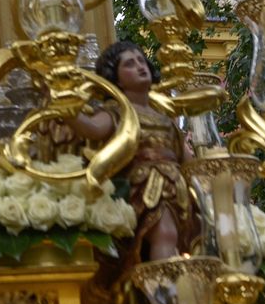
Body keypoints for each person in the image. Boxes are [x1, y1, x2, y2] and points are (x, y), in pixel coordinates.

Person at [68, 41, 198, 262]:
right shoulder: (117, 112)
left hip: (177, 189)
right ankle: (164, 291)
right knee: (164, 234)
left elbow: (188, 160)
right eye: (129, 64)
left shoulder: (164, 118)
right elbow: (93, 129)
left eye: (141, 60)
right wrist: (65, 107)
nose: (140, 66)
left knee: (186, 238)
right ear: (115, 78)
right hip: (144, 188)